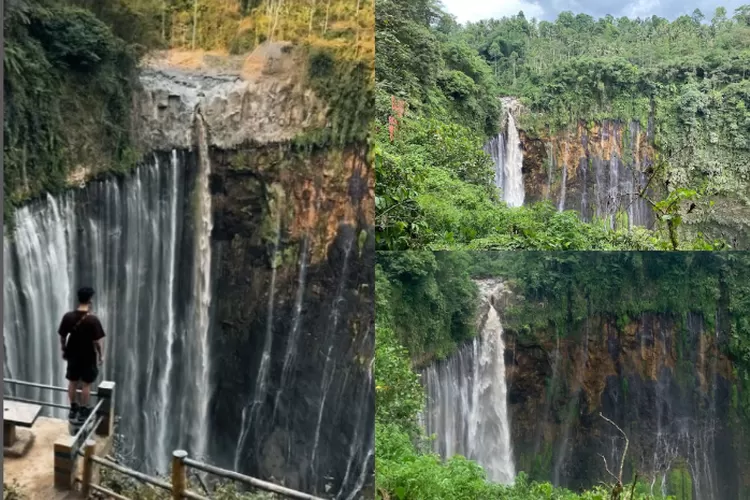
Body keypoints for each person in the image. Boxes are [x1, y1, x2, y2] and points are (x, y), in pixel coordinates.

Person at [57, 286, 106, 425]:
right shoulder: (93, 320)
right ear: (90, 300)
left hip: (72, 355)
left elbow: (62, 336)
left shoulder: (68, 317)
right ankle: (84, 410)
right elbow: (96, 341)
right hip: (88, 356)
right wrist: (101, 355)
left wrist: (63, 349)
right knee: (86, 385)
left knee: (72, 382)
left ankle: (73, 408)